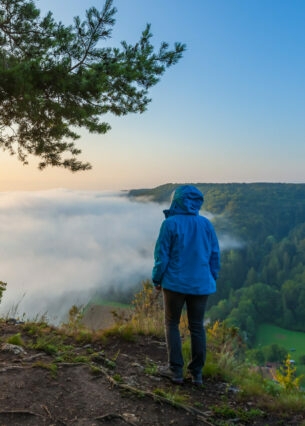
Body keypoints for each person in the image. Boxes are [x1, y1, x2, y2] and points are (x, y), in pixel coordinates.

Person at [152, 185, 220, 385]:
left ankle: (175, 371)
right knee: (197, 327)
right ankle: (197, 374)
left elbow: (161, 257)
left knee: (172, 324)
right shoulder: (206, 224)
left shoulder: (170, 224)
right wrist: (211, 277)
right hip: (201, 285)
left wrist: (157, 279)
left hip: (174, 284)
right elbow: (214, 255)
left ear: (176, 201)